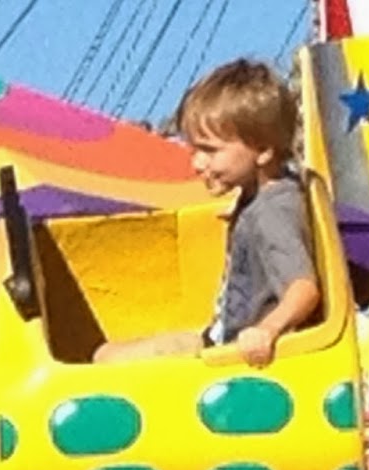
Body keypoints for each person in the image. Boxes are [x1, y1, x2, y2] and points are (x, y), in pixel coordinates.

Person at [95, 59, 318, 368]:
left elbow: (304, 287)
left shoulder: (271, 213)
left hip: (231, 355)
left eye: (210, 151)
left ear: (263, 151)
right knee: (105, 354)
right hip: (217, 338)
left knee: (108, 363)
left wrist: (268, 329)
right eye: (194, 150)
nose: (197, 163)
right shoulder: (261, 196)